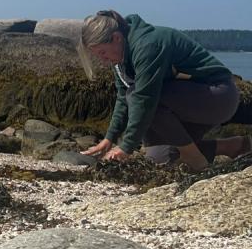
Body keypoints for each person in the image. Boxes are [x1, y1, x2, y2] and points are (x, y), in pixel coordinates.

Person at [78, 10, 249, 171]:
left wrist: (126, 147)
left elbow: (144, 98)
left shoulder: (148, 45)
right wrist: (110, 138)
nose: (102, 59)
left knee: (138, 96)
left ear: (116, 38)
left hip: (218, 96)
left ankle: (194, 159)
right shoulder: (121, 57)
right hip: (186, 100)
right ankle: (231, 146)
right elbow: (122, 96)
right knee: (160, 157)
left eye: (102, 52)